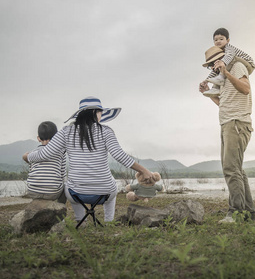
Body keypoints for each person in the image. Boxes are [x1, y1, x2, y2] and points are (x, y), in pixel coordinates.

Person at [23, 96, 156, 224]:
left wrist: (27, 157)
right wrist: (144, 170)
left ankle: (81, 220)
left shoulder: (66, 132)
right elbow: (120, 156)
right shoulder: (106, 131)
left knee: (69, 185)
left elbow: (44, 154)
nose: (101, 115)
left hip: (76, 194)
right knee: (112, 186)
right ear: (95, 113)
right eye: (100, 112)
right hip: (105, 193)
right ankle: (108, 221)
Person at [199, 46, 255, 223]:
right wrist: (207, 94)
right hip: (227, 123)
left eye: (213, 63)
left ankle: (235, 213)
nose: (212, 68)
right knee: (236, 169)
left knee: (231, 169)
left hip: (237, 123)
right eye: (210, 66)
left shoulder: (237, 66)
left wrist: (227, 72)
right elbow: (224, 103)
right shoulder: (222, 77)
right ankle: (250, 213)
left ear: (222, 59)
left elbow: (245, 89)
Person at [202, 27, 255, 98]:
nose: (218, 41)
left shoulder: (229, 48)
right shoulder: (219, 53)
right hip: (234, 63)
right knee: (218, 66)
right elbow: (215, 69)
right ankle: (215, 88)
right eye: (216, 40)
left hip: (248, 64)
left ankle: (219, 80)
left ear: (227, 40)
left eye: (221, 39)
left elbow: (229, 56)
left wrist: (222, 62)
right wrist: (206, 81)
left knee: (229, 60)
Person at [25, 121, 66, 203]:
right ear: (56, 137)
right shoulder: (61, 152)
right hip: (53, 193)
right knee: (65, 187)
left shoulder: (33, 153)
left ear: (38, 138)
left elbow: (31, 170)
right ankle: (61, 210)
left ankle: (36, 203)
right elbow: (63, 174)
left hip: (33, 191)